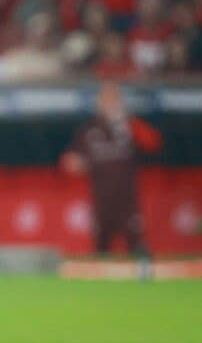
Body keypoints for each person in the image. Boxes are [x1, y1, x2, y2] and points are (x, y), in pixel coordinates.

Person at [61, 82, 161, 257]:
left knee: (136, 244)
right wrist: (77, 164)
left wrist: (129, 121)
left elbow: (154, 143)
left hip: (128, 200)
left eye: (114, 99)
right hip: (101, 199)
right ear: (98, 103)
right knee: (101, 246)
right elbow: (69, 160)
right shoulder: (90, 130)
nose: (110, 103)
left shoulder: (129, 126)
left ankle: (143, 279)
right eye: (106, 99)